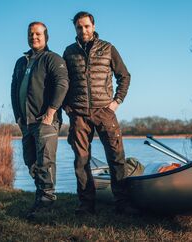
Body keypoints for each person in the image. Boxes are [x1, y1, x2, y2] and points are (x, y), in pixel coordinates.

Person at [63, 11, 137, 215]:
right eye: (79, 27)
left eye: (86, 26)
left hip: (105, 111)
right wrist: (68, 108)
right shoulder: (69, 52)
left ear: (93, 26)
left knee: (116, 157)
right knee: (81, 160)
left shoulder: (108, 48)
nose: (83, 30)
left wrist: (116, 102)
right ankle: (86, 205)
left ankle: (122, 204)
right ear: (75, 28)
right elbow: (63, 83)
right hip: (79, 114)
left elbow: (124, 76)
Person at [11, 22, 69, 216]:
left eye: (38, 34)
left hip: (46, 121)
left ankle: (46, 203)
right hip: (26, 123)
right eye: (31, 34)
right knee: (31, 161)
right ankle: (40, 195)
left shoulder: (52, 59)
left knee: (45, 162)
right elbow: (13, 90)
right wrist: (18, 117)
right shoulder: (21, 61)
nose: (34, 37)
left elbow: (62, 85)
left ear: (46, 36)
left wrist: (51, 112)